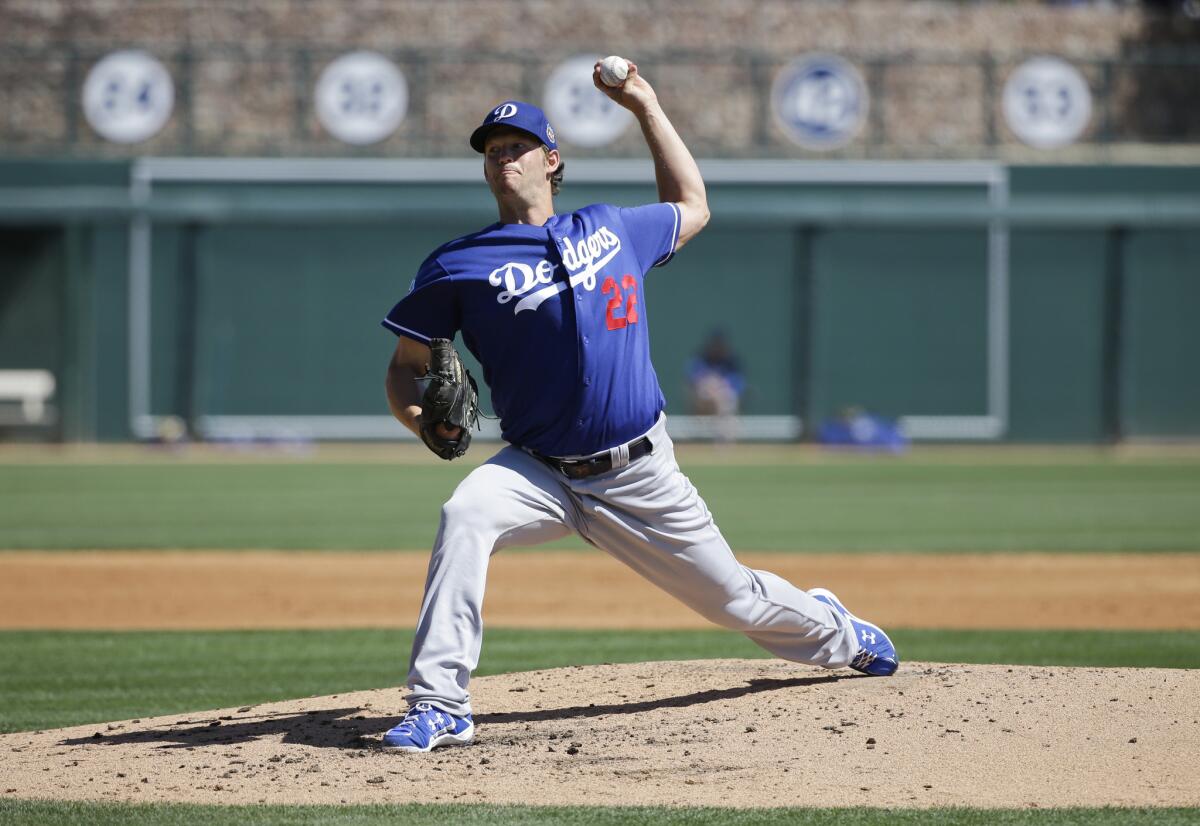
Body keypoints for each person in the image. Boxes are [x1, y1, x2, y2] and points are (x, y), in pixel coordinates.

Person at [378, 59, 898, 754]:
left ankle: (836, 631)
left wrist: (646, 104)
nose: (502, 158)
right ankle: (441, 704)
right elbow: (406, 369)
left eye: (515, 147)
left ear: (550, 160)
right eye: (492, 151)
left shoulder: (611, 228)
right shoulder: (459, 263)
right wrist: (421, 423)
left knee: (733, 600)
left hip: (638, 473)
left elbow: (693, 203)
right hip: (539, 470)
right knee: (466, 511)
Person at [686, 329, 746, 442]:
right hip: (703, 398)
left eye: (720, 345)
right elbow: (692, 379)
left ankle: (724, 443)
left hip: (724, 399)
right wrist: (708, 385)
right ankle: (697, 441)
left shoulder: (731, 362)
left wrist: (720, 388)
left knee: (726, 401)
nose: (717, 348)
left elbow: (738, 385)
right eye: (715, 345)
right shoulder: (701, 359)